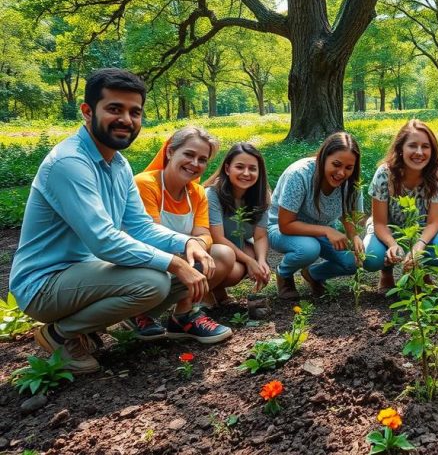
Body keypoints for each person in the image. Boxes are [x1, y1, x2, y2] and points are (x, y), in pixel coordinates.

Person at [10, 68, 211, 373]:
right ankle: (59, 335)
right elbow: (104, 240)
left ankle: (85, 327)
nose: (127, 120)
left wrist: (188, 243)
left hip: (87, 275)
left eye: (135, 112)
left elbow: (140, 226)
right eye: (115, 109)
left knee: (193, 263)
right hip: (45, 283)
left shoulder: (119, 164)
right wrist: (174, 262)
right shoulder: (69, 162)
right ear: (88, 112)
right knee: (154, 281)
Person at [129, 127, 233, 343]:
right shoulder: (145, 184)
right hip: (143, 260)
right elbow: (147, 234)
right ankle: (140, 312)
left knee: (223, 254)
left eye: (202, 159)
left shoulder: (197, 194)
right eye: (188, 154)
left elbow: (204, 234)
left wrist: (195, 244)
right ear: (169, 152)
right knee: (184, 264)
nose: (195, 163)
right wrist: (190, 247)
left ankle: (184, 314)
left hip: (180, 256)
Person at [268, 132, 378, 300]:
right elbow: (285, 224)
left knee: (353, 262)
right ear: (323, 157)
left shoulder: (352, 183)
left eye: (349, 168)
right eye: (336, 164)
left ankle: (313, 275)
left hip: (322, 229)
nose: (341, 173)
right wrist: (326, 230)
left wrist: (354, 235)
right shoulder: (300, 175)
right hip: (282, 229)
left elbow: (348, 214)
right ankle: (284, 274)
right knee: (309, 248)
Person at [368, 120, 438, 290]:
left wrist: (419, 246)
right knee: (370, 257)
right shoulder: (385, 174)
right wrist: (392, 244)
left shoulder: (437, 178)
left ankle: (421, 270)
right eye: (412, 146)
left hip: (422, 233)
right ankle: (386, 272)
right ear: (401, 149)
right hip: (388, 231)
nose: (419, 152)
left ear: (432, 150)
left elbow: (434, 222)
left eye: (425, 146)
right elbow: (380, 223)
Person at [204, 142, 272, 298]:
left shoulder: (263, 196)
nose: (246, 173)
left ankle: (216, 290)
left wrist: (261, 261)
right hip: (211, 247)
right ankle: (204, 295)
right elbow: (217, 237)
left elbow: (260, 236)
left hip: (236, 243)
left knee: (253, 258)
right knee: (236, 271)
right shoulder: (212, 194)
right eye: (240, 167)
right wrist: (249, 261)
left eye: (253, 168)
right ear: (227, 169)